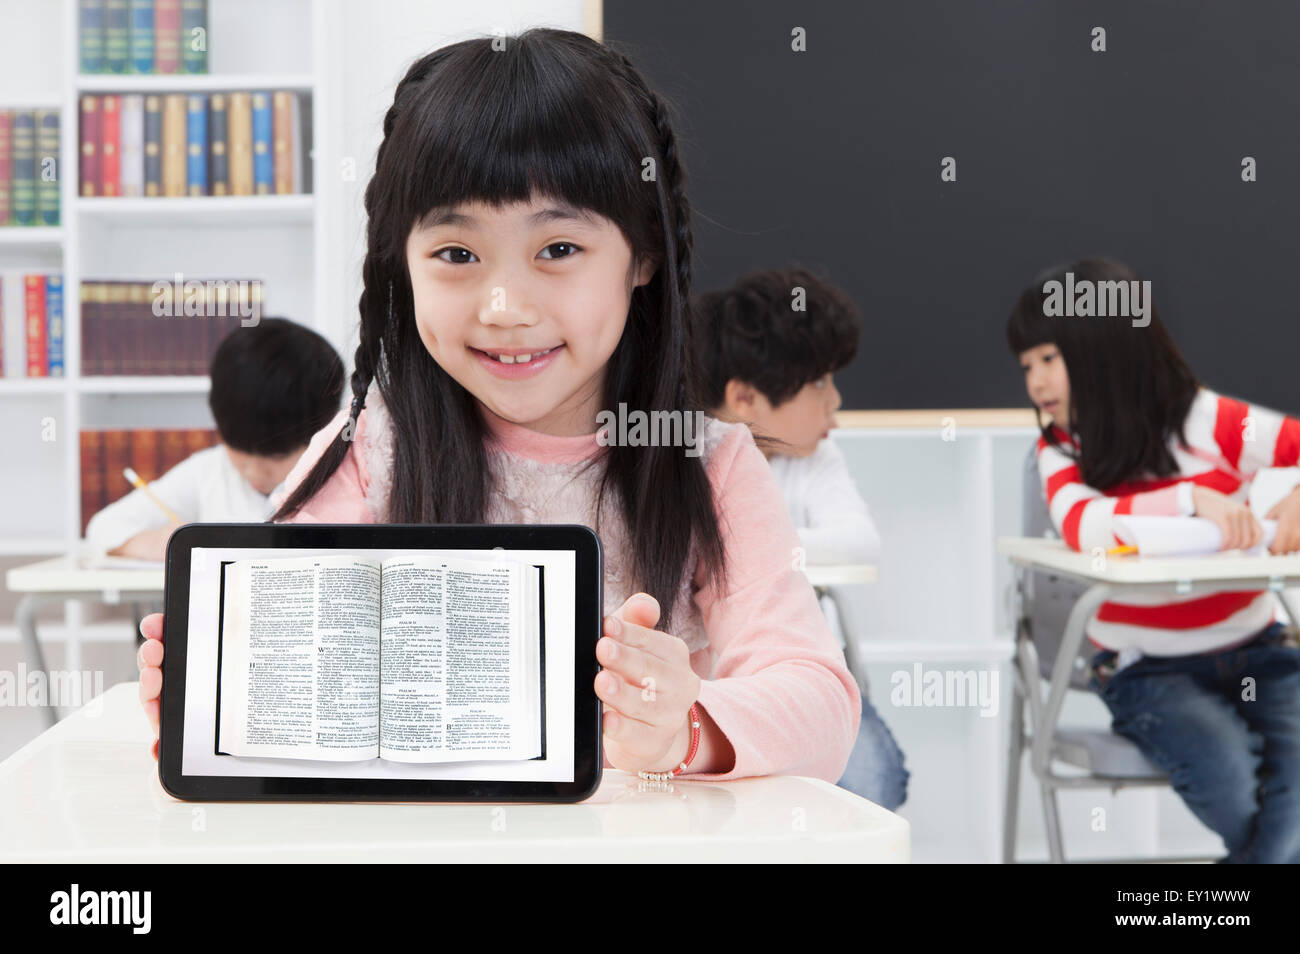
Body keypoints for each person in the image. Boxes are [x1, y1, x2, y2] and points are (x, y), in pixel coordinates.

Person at [138, 28, 861, 783]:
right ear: (404, 264)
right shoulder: (370, 450)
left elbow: (819, 703)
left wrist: (686, 727)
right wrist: (229, 701)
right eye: (457, 255)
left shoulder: (705, 465)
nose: (506, 306)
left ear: (642, 255)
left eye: (557, 250)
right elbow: (284, 650)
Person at [1008, 257, 1300, 862]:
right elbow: (1083, 526)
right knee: (1240, 787)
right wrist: (1193, 498)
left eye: (1047, 358)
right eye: (1026, 365)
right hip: (1147, 669)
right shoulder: (1060, 448)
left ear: (1106, 348)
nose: (1034, 381)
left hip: (1258, 649)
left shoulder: (1210, 421)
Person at [694, 265, 906, 809]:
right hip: (702, 691)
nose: (834, 401)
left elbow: (860, 542)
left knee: (876, 779)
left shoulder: (812, 456)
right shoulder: (680, 463)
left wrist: (745, 554)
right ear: (744, 399)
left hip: (792, 684)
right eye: (818, 384)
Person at [86, 318, 344, 561]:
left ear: (325, 430)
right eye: (239, 456)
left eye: (276, 458)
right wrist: (155, 544)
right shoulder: (208, 472)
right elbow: (103, 528)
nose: (254, 472)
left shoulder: (346, 478)